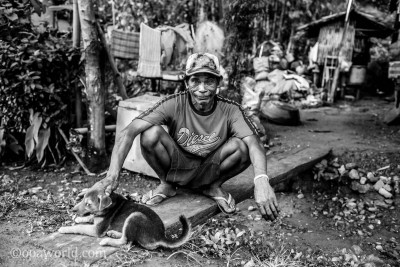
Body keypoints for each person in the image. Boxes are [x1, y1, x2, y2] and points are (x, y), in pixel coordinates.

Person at [90, 52, 279, 220]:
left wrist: (261, 179)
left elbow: (254, 143)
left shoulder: (230, 110)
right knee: (150, 134)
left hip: (211, 167)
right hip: (178, 164)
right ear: (186, 83)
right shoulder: (173, 104)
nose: (202, 88)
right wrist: (111, 176)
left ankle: (212, 186)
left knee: (242, 146)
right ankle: (167, 184)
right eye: (196, 80)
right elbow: (128, 132)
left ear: (218, 83)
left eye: (209, 81)